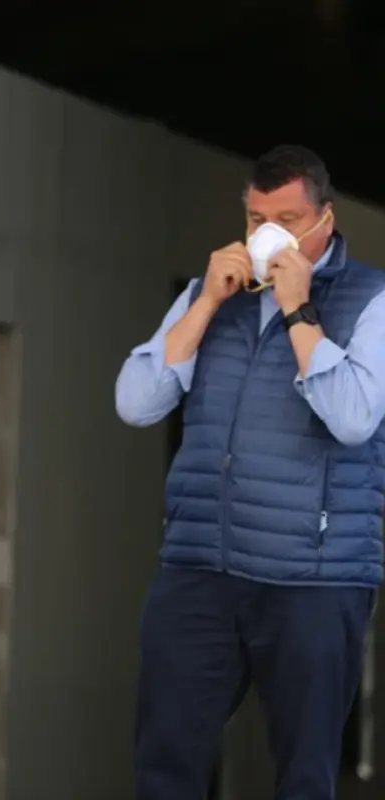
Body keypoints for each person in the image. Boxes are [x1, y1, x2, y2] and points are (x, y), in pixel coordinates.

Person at [116, 145, 385, 799]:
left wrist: (299, 311)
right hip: (200, 569)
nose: (272, 235)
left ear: (326, 218)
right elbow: (135, 401)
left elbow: (354, 417)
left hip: (315, 581)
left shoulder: (371, 298)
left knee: (303, 775)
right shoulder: (210, 296)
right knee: (165, 767)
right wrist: (205, 302)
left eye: (289, 219)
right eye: (258, 218)